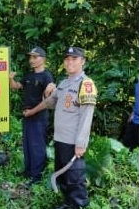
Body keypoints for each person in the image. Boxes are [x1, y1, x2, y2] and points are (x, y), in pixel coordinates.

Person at [22, 46, 96, 209]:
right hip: (60, 138)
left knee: (74, 177)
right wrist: (36, 107)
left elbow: (86, 116)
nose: (69, 62)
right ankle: (67, 203)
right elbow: (49, 102)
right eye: (67, 59)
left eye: (74, 59)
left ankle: (78, 204)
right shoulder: (63, 83)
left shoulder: (86, 84)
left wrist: (81, 143)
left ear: (83, 61)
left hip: (73, 141)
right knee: (63, 175)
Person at [9, 47, 55, 184]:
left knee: (37, 146)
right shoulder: (28, 75)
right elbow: (17, 86)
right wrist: (11, 79)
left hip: (39, 116)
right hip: (27, 115)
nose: (32, 60)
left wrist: (32, 112)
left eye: (35, 57)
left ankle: (37, 176)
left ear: (43, 59)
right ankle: (28, 171)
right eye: (31, 57)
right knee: (27, 144)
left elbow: (48, 101)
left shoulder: (47, 76)